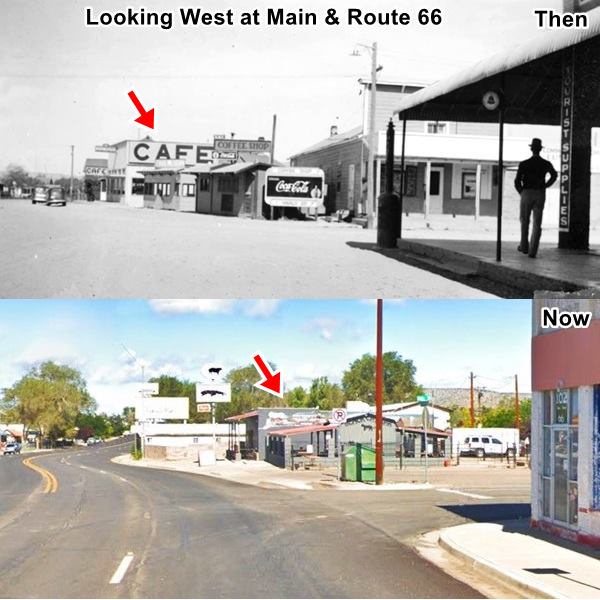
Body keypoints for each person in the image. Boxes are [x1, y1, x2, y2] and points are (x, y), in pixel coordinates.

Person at [514, 138, 557, 258]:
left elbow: (517, 180)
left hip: (527, 192)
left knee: (524, 220)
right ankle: (533, 251)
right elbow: (554, 175)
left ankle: (524, 246)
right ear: (540, 149)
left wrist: (521, 192)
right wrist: (545, 185)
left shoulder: (524, 164)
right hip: (540, 193)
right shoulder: (546, 163)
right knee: (537, 222)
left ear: (531, 149)